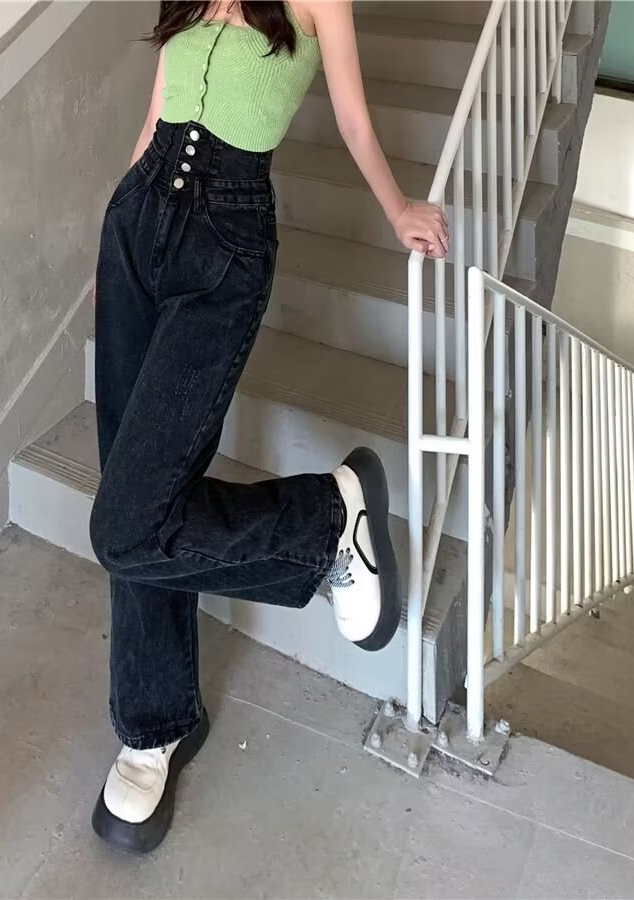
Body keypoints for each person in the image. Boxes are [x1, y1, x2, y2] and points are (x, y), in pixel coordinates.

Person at [89, 0, 449, 854]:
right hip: (136, 227)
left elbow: (354, 120)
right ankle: (154, 723)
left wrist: (399, 208)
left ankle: (325, 522)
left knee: (126, 523)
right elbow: (154, 115)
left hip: (225, 243)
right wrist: (112, 244)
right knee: (133, 483)